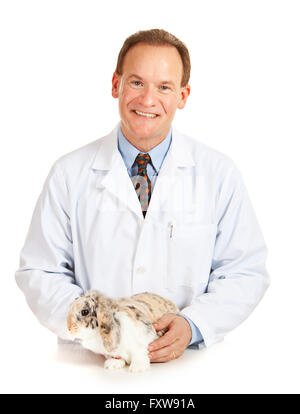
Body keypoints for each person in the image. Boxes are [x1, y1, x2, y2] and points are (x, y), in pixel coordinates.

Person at [15, 29, 269, 363]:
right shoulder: (69, 173)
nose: (148, 100)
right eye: (136, 83)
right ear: (115, 84)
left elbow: (244, 271)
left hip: (190, 367)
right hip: (92, 367)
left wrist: (193, 325)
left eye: (164, 87)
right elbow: (40, 271)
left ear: (182, 95)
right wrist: (95, 328)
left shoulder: (219, 174)